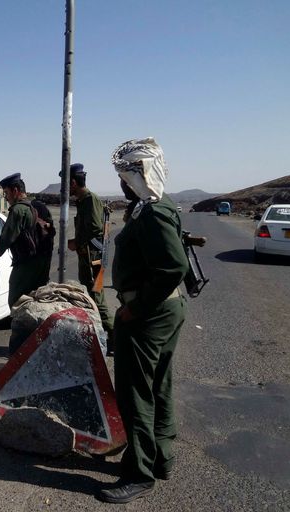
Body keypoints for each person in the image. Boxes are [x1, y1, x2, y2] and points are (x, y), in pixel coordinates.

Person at [97, 138, 189, 504]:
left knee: (136, 394)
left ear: (139, 175)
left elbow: (174, 267)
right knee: (159, 386)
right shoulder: (154, 204)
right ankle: (161, 458)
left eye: (125, 176)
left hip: (149, 315)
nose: (121, 183)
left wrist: (135, 308)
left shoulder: (151, 211)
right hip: (164, 310)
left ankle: (140, 473)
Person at [0, 172, 50, 308]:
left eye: (6, 193)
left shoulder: (18, 210)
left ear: (15, 191)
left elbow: (6, 239)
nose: (6, 197)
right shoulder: (37, 206)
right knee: (38, 302)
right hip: (41, 263)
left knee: (16, 302)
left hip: (25, 264)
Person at [66, 163, 115, 353]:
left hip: (94, 259)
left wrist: (76, 242)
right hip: (89, 257)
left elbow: (95, 228)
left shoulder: (90, 200)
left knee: (96, 298)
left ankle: (115, 337)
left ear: (73, 182)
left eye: (66, 184)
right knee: (91, 295)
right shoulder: (83, 200)